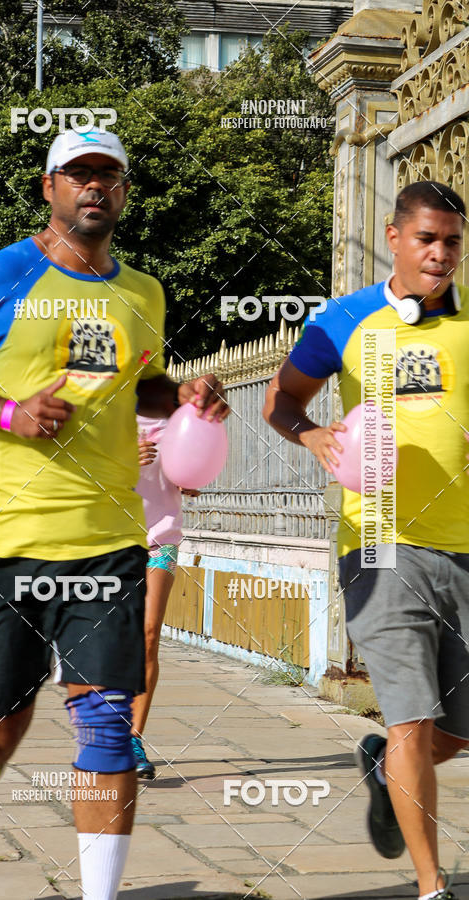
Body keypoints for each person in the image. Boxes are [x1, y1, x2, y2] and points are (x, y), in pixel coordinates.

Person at [0, 126, 228, 900]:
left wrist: (178, 396)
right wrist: (8, 412)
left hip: (109, 543)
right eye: (76, 176)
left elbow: (140, 381)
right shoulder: (2, 276)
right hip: (1, 544)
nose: (93, 188)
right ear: (48, 189)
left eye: (107, 176)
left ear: (122, 191)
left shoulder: (141, 291)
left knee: (108, 722)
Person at [264, 181, 468, 900]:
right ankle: (431, 885)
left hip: (465, 545)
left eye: (452, 242)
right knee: (411, 717)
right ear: (393, 236)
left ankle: (384, 769)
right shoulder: (344, 321)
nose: (441, 255)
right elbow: (281, 401)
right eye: (427, 240)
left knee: (455, 731)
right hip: (379, 543)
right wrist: (313, 432)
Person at [131, 411, 199, 779]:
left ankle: (133, 738)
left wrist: (190, 480)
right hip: (109, 538)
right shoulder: (99, 410)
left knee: (149, 633)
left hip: (160, 537)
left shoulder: (178, 421)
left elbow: (193, 466)